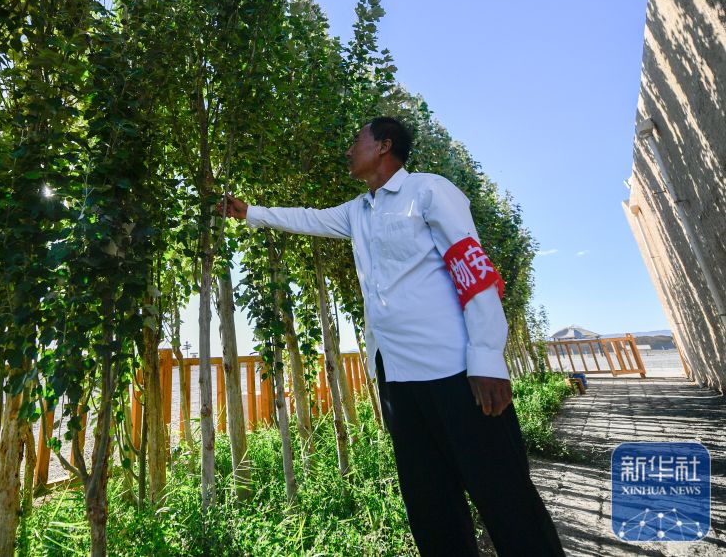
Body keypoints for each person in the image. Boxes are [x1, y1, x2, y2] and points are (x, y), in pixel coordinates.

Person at [220, 116, 565, 556]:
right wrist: (250, 213)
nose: (349, 150)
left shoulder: (428, 191)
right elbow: (309, 219)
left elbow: (473, 270)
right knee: (431, 507)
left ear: (384, 145)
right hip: (397, 380)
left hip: (456, 372)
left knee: (506, 498)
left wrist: (487, 358)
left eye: (356, 141)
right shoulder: (358, 211)